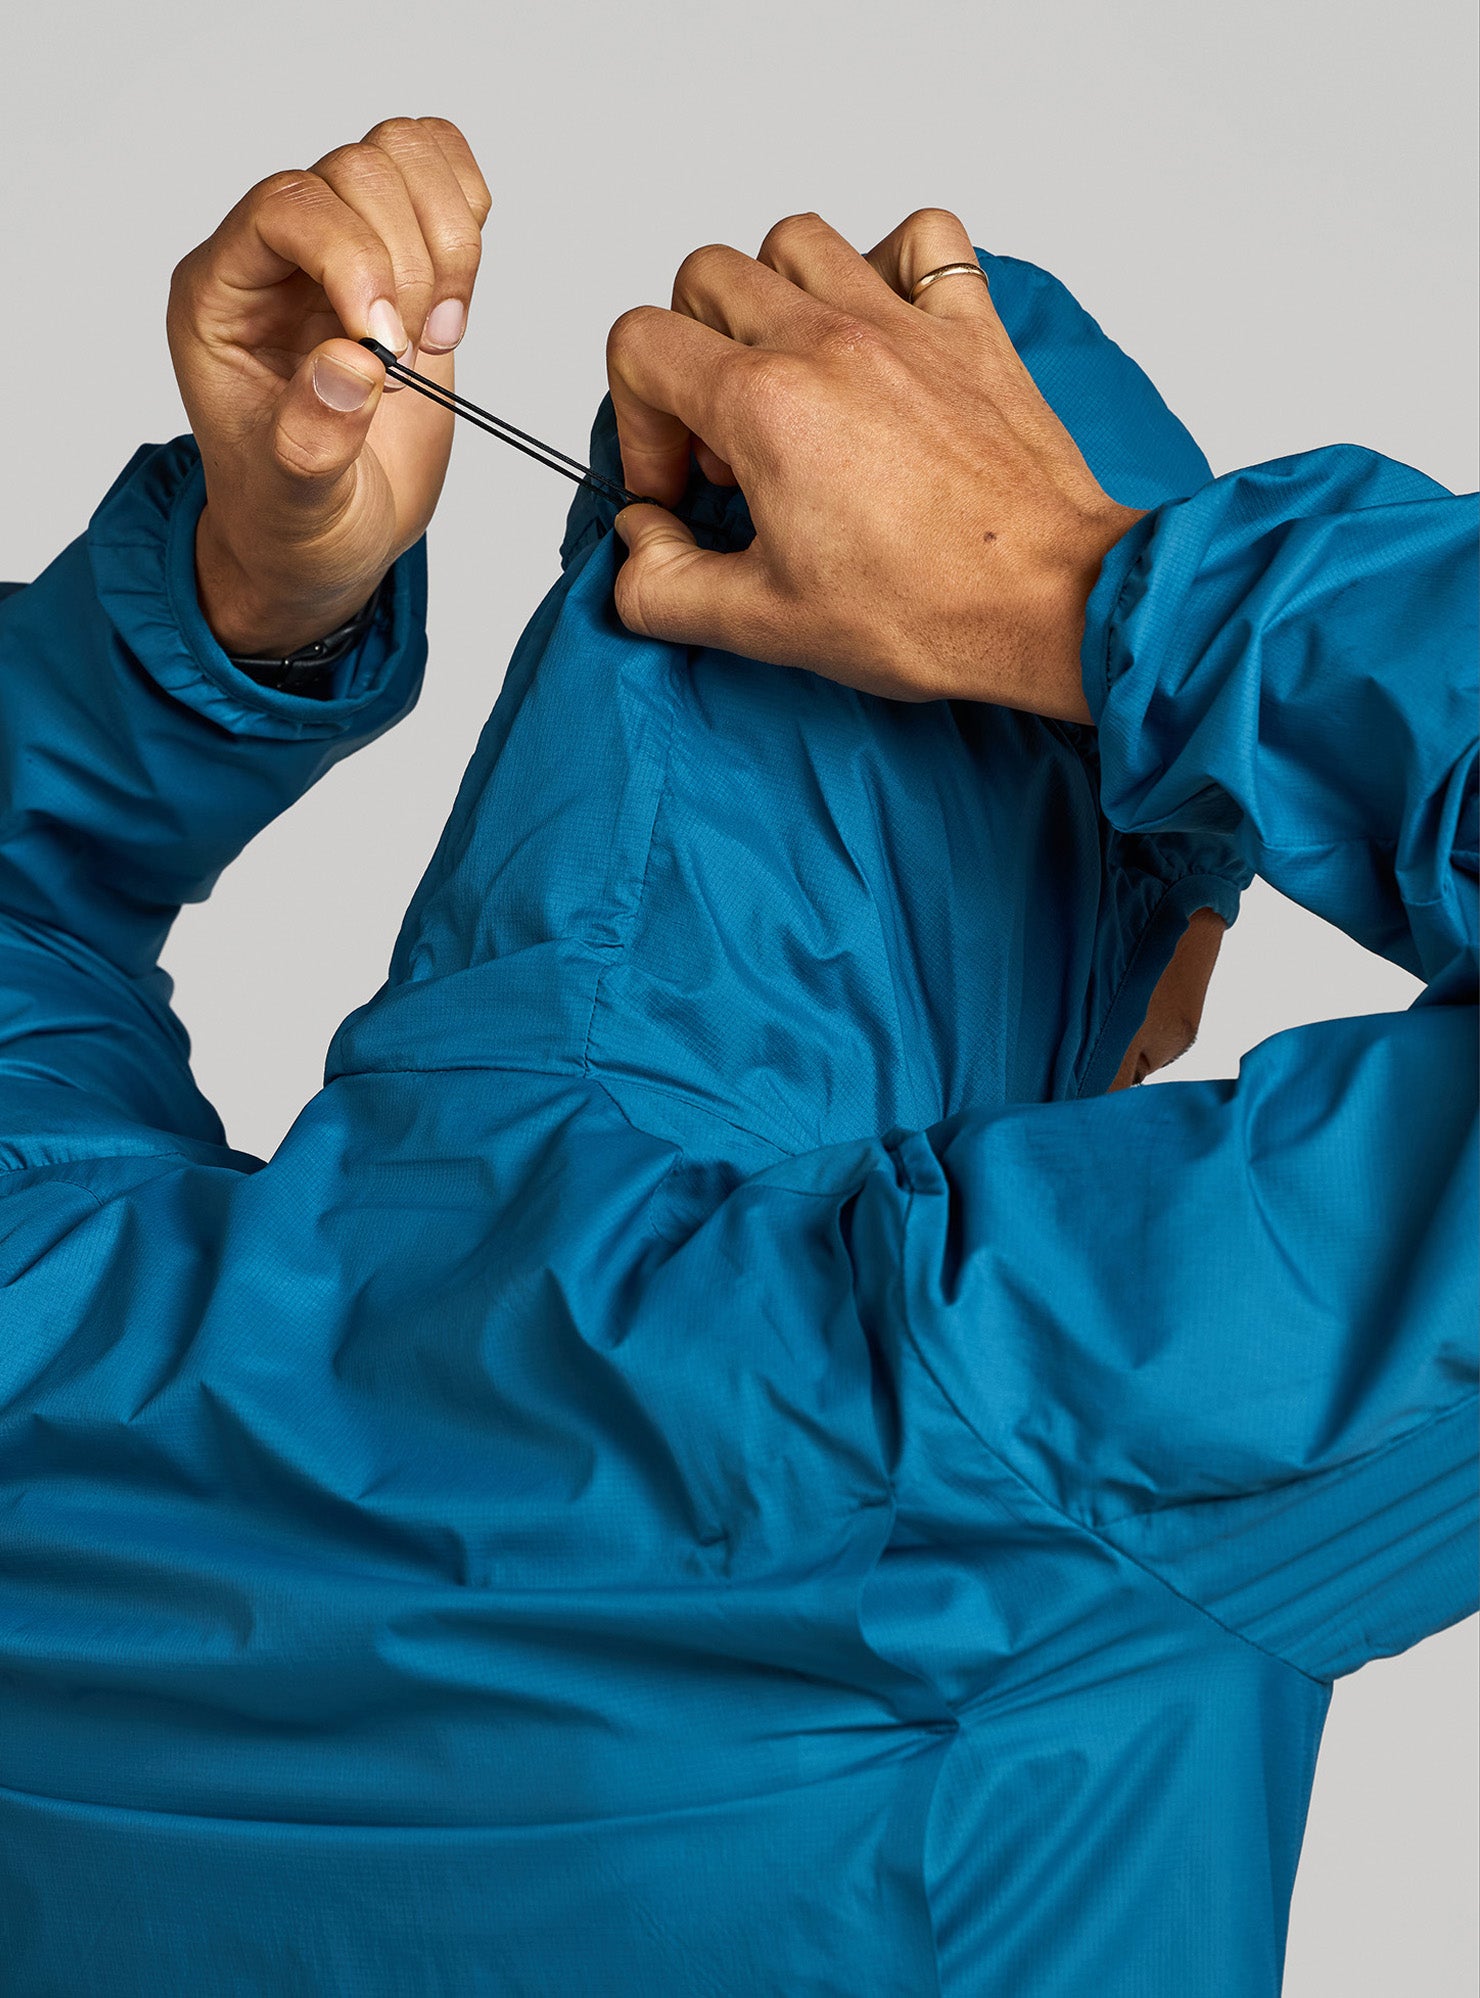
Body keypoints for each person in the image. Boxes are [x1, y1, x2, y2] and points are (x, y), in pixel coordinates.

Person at [0, 115, 1472, 1998]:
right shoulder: (1024, 1424)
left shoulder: (56, 1336)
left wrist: (247, 598)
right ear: (1145, 972)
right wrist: (1089, 589)